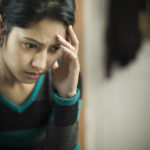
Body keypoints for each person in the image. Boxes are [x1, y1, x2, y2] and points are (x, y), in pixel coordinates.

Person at [0, 0, 82, 150]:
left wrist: (66, 98)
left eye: (55, 48)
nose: (41, 65)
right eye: (30, 45)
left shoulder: (67, 77)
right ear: (2, 29)